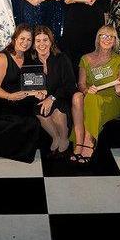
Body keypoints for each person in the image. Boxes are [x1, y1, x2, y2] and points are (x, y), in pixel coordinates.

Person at [0, 24, 42, 163]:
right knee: (22, 122)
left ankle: (15, 151)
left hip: (21, 101)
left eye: (29, 40)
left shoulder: (30, 57)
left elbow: (31, 83)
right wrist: (10, 96)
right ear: (14, 38)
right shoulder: (3, 58)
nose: (25, 42)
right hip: (1, 101)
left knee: (33, 121)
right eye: (22, 38)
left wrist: (38, 92)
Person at [70, 25, 120, 163]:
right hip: (90, 96)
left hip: (111, 100)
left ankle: (88, 142)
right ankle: (79, 139)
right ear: (98, 38)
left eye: (111, 37)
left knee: (92, 99)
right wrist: (85, 91)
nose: (107, 39)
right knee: (77, 96)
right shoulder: (85, 58)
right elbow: (81, 84)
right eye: (103, 35)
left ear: (115, 41)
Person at [33, 25, 75, 157]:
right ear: (33, 44)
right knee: (40, 110)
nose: (42, 44)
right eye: (38, 41)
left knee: (57, 111)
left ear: (51, 41)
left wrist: (52, 98)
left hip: (61, 96)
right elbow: (26, 84)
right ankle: (55, 137)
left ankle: (64, 140)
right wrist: (35, 93)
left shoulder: (61, 58)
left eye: (45, 40)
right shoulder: (30, 62)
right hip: (39, 99)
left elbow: (69, 84)